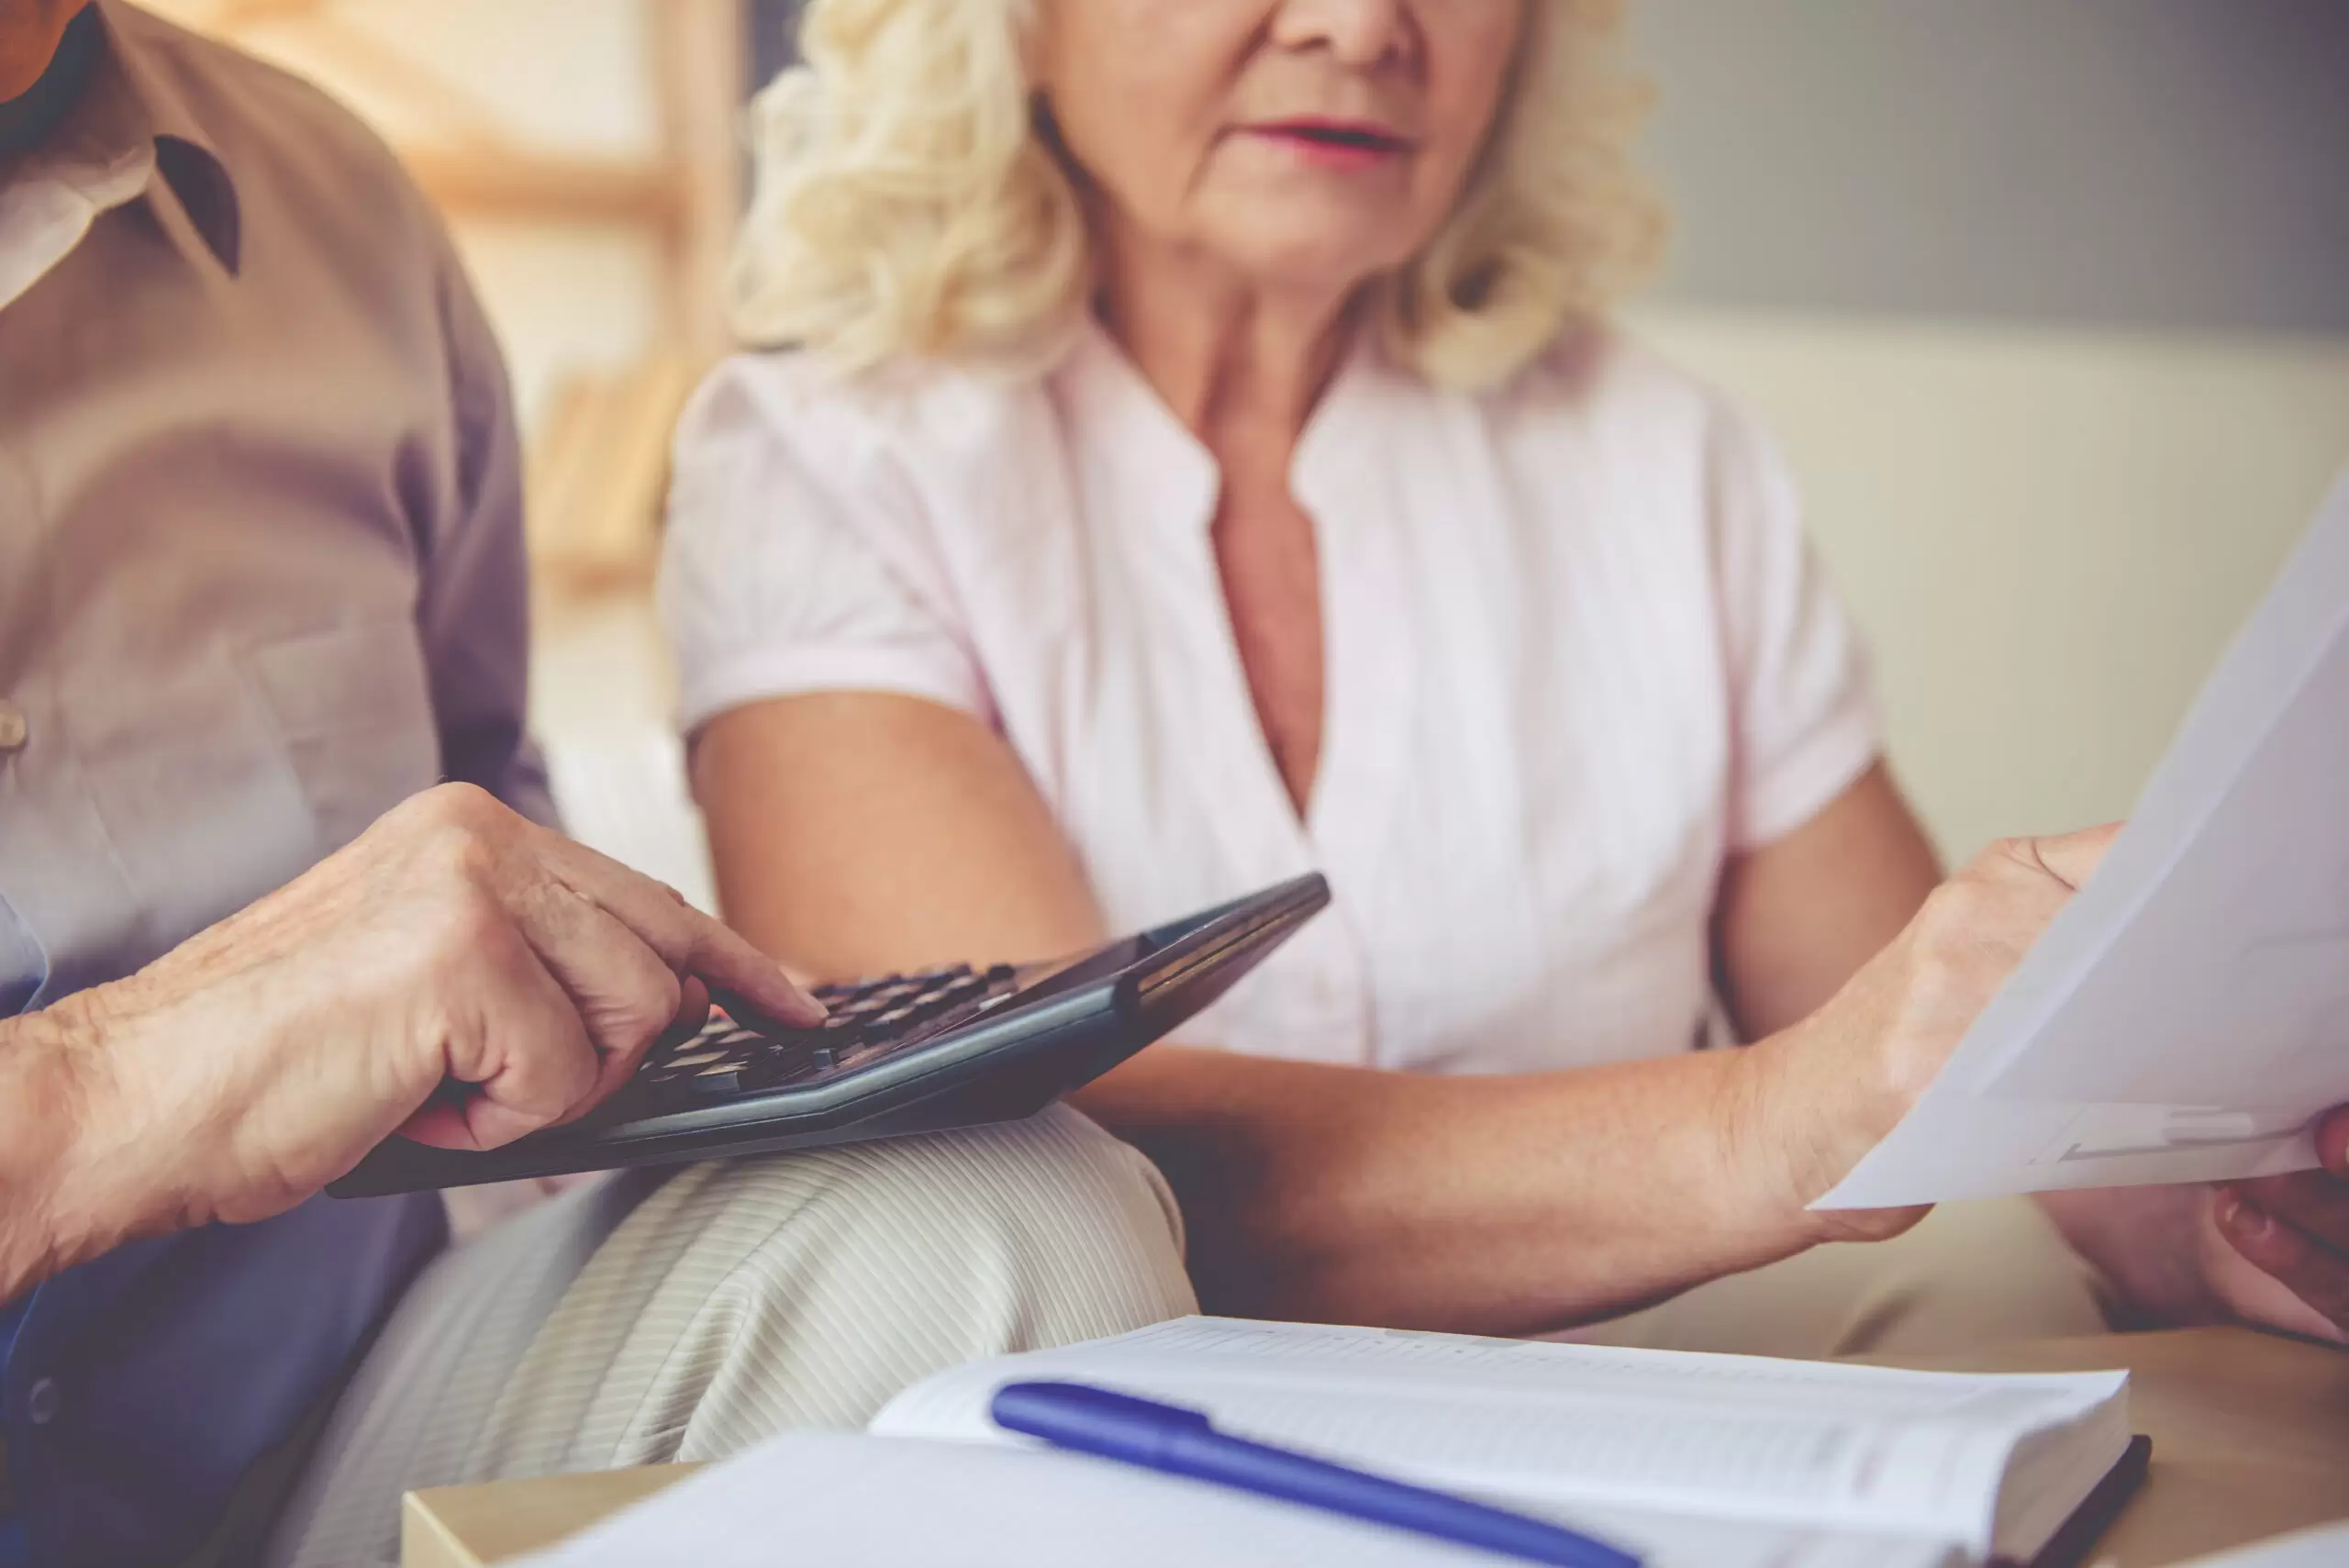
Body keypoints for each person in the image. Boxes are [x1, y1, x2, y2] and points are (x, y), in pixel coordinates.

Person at [662, 0, 2349, 1354]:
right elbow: (1050, 1163)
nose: (1359, 23)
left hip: (1664, 1420)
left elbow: (1949, 1090)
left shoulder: (1661, 459)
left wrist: (2228, 1219)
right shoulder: (820, 462)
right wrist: (1765, 1125)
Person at [0, 6, 1193, 1566]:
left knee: (1003, 1212)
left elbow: (489, 837)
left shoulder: (339, 224)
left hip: (301, 1463)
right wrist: (99, 1100)